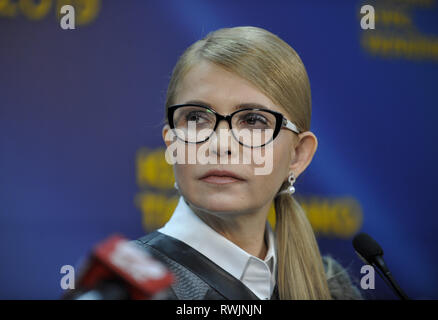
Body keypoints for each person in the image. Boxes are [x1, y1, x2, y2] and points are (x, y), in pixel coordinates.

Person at [135, 26, 362, 300]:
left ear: (298, 154)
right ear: (172, 143)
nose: (220, 145)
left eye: (253, 120)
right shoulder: (128, 288)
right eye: (196, 118)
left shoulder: (330, 287)